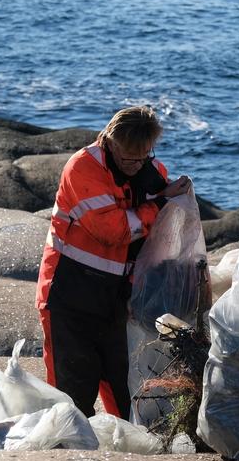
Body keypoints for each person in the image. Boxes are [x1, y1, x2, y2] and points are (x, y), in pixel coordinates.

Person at [35, 105, 192, 420]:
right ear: (110, 142)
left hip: (119, 299)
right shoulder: (82, 170)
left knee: (127, 391)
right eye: (128, 158)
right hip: (69, 296)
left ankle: (127, 450)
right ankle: (70, 452)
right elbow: (113, 231)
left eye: (143, 157)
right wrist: (161, 204)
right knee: (73, 395)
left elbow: (160, 233)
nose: (135, 166)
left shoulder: (152, 172)